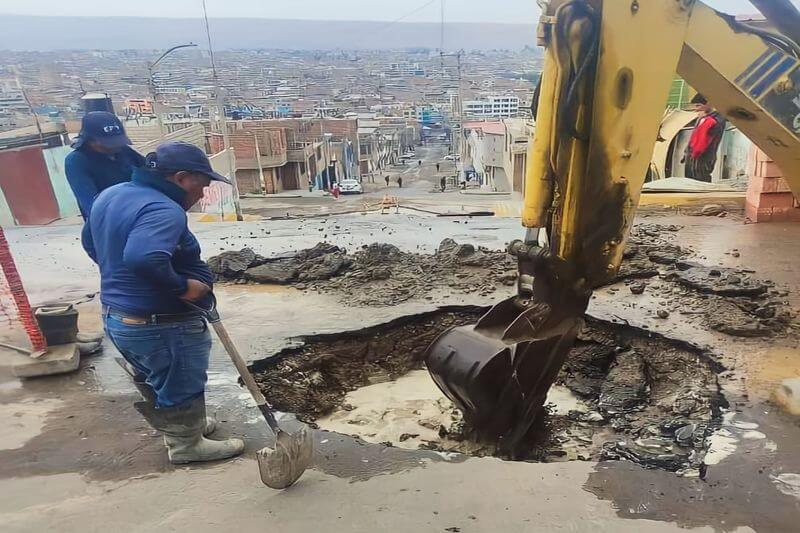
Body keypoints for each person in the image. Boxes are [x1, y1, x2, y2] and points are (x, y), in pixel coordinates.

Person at [83, 141, 244, 465]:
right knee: (182, 378)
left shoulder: (114, 194)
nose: (203, 194)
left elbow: (90, 241)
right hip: (160, 323)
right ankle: (186, 446)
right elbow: (145, 257)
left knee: (159, 377)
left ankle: (185, 426)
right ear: (182, 177)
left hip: (121, 318)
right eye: (203, 183)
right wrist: (183, 287)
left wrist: (118, 277)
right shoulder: (162, 209)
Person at [65, 111, 144, 219]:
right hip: (109, 223)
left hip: (139, 213)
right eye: (108, 143)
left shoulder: (123, 151)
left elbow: (149, 173)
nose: (115, 147)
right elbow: (91, 205)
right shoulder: (77, 161)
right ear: (90, 141)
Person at [683, 93, 726, 183]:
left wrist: (694, 154)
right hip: (694, 156)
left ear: (708, 103)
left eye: (699, 105)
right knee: (690, 181)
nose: (697, 108)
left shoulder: (712, 120)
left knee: (699, 182)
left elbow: (702, 140)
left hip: (702, 157)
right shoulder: (705, 118)